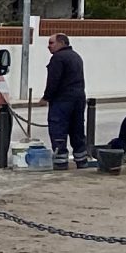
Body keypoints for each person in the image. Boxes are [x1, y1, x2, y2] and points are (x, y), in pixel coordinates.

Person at [41, 33, 90, 168]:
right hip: (78, 98)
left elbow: (53, 81)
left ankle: (61, 162)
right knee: (77, 130)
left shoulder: (58, 58)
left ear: (62, 43)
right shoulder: (76, 56)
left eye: (51, 43)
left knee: (58, 130)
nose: (48, 46)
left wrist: (46, 97)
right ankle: (81, 160)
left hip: (62, 100)